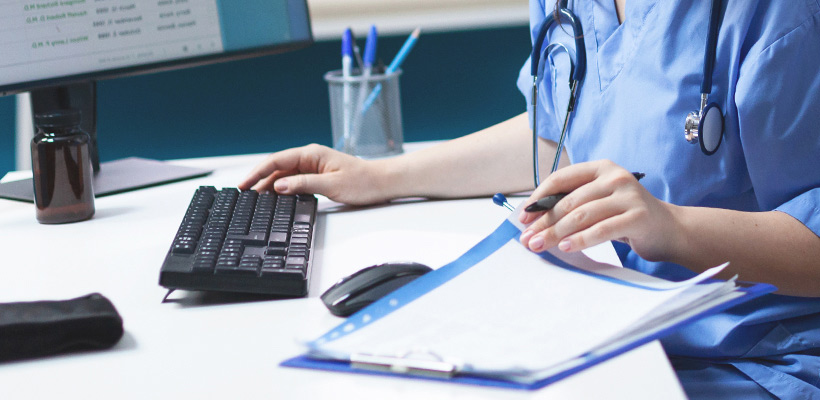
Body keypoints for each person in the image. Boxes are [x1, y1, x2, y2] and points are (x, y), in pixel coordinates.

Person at [240, 0, 820, 398]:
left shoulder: (778, 16)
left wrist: (672, 228)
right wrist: (380, 176)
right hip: (614, 329)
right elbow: (560, 133)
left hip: (751, 358)